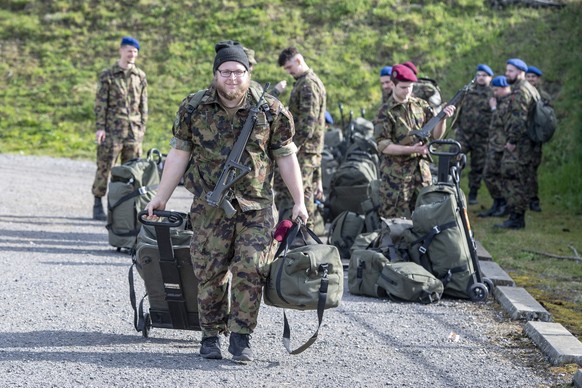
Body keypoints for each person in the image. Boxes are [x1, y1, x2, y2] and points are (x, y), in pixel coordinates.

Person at [145, 40, 308, 362]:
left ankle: (241, 336)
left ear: (248, 73)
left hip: (256, 206)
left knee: (251, 267)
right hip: (209, 206)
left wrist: (300, 201)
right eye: (226, 72)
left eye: (238, 71)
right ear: (215, 73)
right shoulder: (193, 108)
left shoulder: (271, 110)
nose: (232, 78)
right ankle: (210, 335)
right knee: (210, 272)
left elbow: (287, 157)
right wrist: (160, 196)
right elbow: (179, 153)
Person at [373, 63, 455, 218]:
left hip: (421, 173)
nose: (407, 91)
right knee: (394, 220)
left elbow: (436, 137)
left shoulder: (421, 105)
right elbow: (384, 145)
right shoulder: (385, 112)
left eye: (410, 87)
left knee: (426, 216)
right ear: (393, 84)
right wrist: (412, 150)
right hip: (396, 178)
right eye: (403, 87)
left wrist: (442, 119)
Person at [91, 36, 148, 220]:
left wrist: (142, 128)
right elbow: (101, 104)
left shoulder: (140, 76)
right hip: (112, 131)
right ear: (121, 51)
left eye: (135, 52)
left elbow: (143, 104)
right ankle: (98, 204)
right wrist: (100, 128)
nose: (132, 54)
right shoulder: (108, 75)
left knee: (131, 172)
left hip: (133, 132)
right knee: (105, 167)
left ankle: (124, 208)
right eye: (129, 50)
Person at [273, 47, 327, 230]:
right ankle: (302, 235)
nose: (289, 72)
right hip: (307, 150)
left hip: (303, 151)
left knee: (297, 195)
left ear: (298, 60)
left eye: (289, 67)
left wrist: (293, 147)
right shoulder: (304, 82)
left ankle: (299, 237)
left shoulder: (308, 85)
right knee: (305, 193)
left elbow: (307, 124)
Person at [495, 58, 538, 229]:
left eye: (511, 71)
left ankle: (517, 218)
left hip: (520, 143)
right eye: (507, 70)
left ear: (521, 72)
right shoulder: (529, 88)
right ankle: (516, 215)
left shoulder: (521, 91)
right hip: (526, 142)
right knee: (518, 176)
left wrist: (512, 141)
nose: (507, 74)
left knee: (513, 176)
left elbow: (519, 119)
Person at [453, 64, 494, 205]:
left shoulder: (493, 94)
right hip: (464, 134)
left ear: (490, 78)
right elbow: (460, 109)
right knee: (454, 161)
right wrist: (456, 126)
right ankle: (452, 190)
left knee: (478, 166)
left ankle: (473, 193)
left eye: (484, 75)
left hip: (482, 137)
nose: (481, 78)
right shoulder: (468, 91)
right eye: (479, 75)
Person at [479, 75, 512, 218]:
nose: (494, 92)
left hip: (504, 146)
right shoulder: (499, 100)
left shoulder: (510, 102)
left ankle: (504, 204)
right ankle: (497, 202)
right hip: (494, 144)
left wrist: (493, 108)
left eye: (497, 89)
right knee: (489, 175)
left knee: (499, 176)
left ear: (505, 88)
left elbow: (504, 121)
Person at [524, 65, 550, 212]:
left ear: (538, 79)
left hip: (535, 139)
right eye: (528, 77)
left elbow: (546, 118)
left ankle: (533, 200)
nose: (531, 79)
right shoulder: (522, 93)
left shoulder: (543, 96)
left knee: (532, 170)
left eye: (533, 77)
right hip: (523, 137)